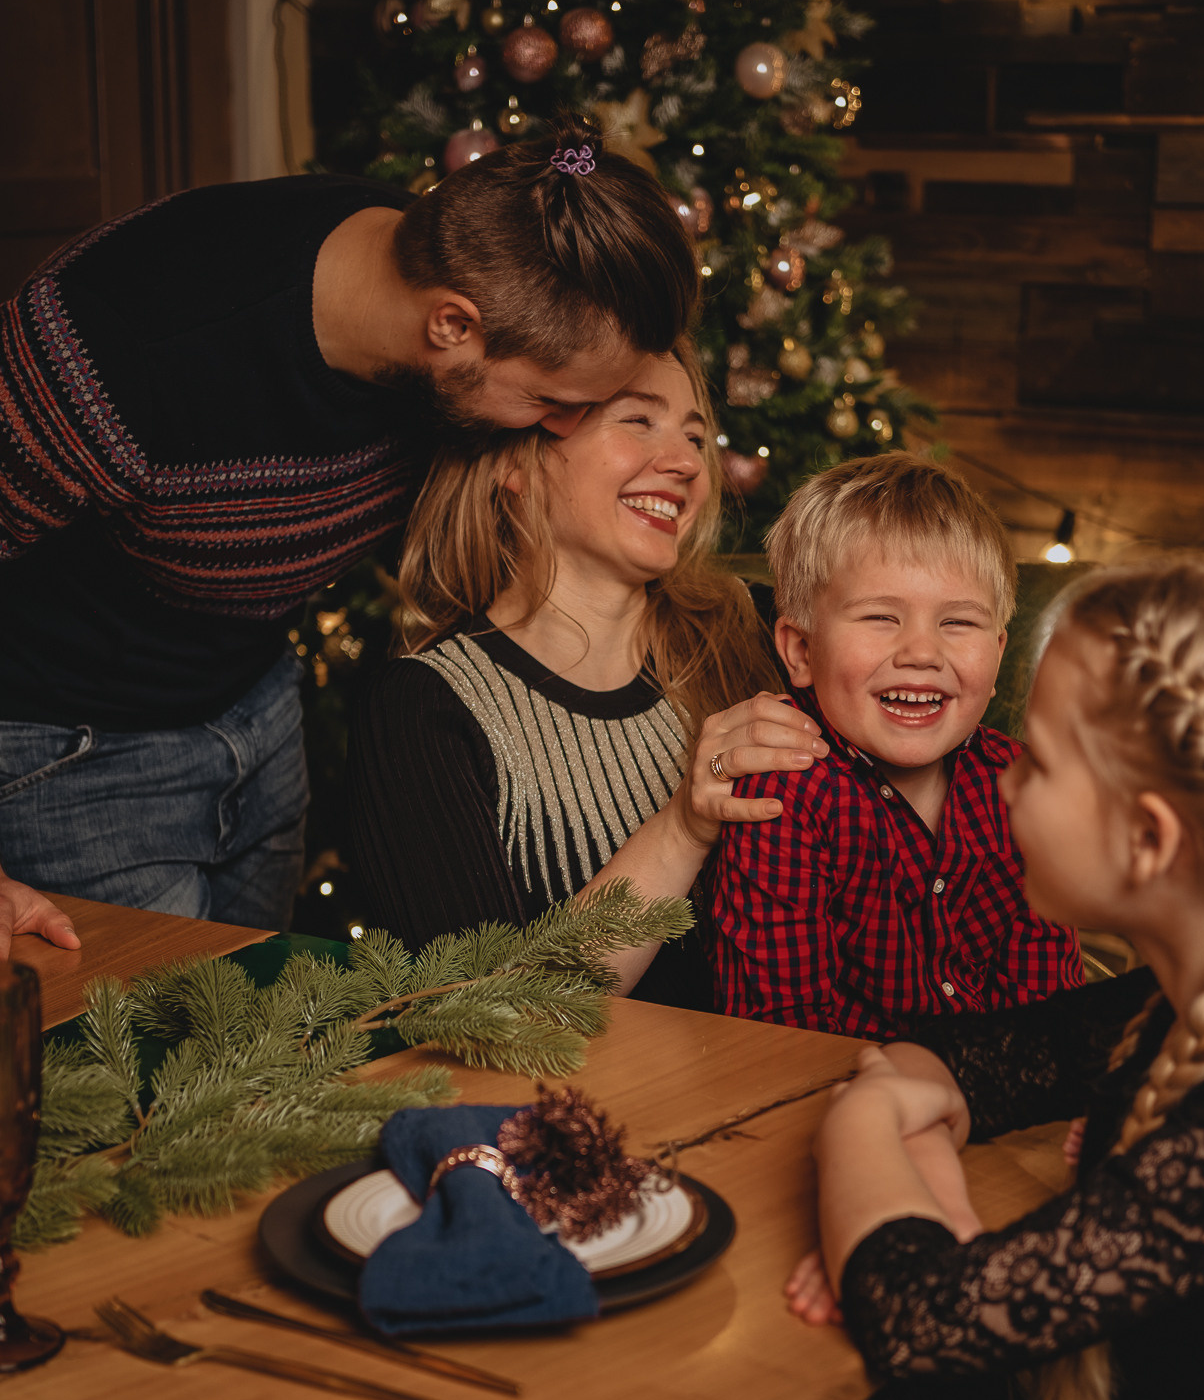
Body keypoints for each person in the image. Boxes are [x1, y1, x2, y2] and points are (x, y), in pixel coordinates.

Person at [687, 553, 1204, 1400]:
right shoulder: (1200, 986)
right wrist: (919, 1122)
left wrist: (868, 1136)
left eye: (1041, 763)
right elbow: (1008, 1049)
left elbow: (924, 1318)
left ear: (1147, 836)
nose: (1003, 787)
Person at [0, 119, 698, 956]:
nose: (554, 429)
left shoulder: (476, 248)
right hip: (73, 755)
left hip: (256, 705)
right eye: (552, 402)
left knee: (246, 1028)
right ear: (451, 328)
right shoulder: (109, 350)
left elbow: (575, 163)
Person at [347, 340, 827, 1005]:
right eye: (637, 420)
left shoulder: (748, 633)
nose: (688, 462)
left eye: (695, 434)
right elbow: (489, 1022)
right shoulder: (423, 708)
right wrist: (683, 827)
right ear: (515, 457)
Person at [709, 455, 1083, 1039]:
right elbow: (778, 1034)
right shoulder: (785, 791)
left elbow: (1047, 1013)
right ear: (802, 651)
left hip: (993, 1101)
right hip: (831, 1096)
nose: (922, 653)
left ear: (999, 654)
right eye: (882, 616)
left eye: (958, 623)